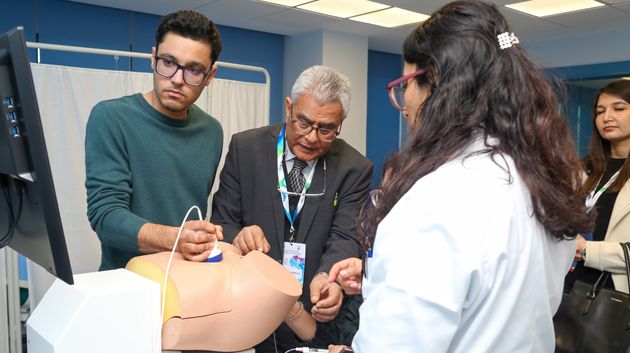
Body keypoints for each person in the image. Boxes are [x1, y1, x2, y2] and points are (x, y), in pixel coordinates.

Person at [326, 1, 592, 352]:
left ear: (433, 81)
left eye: (405, 84)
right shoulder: (547, 181)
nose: (404, 105)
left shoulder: (434, 200)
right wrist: (386, 280)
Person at [211, 65, 372, 352]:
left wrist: (328, 278)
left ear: (340, 123)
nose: (311, 137)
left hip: (310, 315)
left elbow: (345, 237)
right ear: (289, 108)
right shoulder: (246, 149)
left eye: (326, 129)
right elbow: (222, 223)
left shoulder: (353, 168)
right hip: (248, 304)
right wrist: (239, 236)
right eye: (304, 122)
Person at [85, 10, 224, 271]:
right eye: (168, 62)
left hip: (188, 283)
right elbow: (106, 217)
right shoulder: (111, 118)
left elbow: (194, 210)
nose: (177, 79)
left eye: (194, 70)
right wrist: (177, 238)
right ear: (153, 58)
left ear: (210, 77)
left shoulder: (212, 131)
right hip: (127, 284)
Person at [565, 79, 630, 294]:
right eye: (600, 111)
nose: (607, 117)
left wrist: (587, 251)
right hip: (567, 289)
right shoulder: (582, 169)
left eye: (619, 108)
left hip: (615, 300)